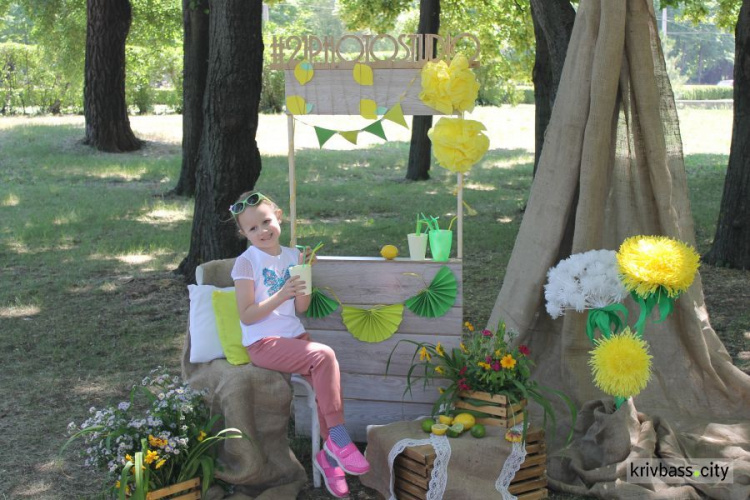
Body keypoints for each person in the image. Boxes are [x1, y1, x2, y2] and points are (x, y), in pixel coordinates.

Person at [229, 191, 369, 498]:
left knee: (325, 385)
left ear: (278, 216)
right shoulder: (245, 263)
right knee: (324, 355)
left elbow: (302, 307)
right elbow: (247, 316)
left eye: (266, 221)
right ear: (243, 233)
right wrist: (281, 293)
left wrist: (304, 271)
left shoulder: (294, 256)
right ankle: (339, 440)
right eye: (252, 228)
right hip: (264, 344)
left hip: (294, 339)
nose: (262, 231)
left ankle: (329, 459)